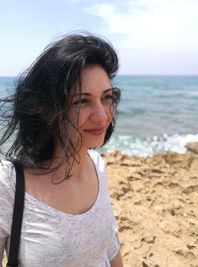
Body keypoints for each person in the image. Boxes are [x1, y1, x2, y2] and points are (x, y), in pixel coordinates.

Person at [0, 33, 123, 266]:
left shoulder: (97, 165)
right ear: (46, 109)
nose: (102, 115)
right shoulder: (8, 185)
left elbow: (109, 248)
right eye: (82, 101)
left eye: (106, 97)